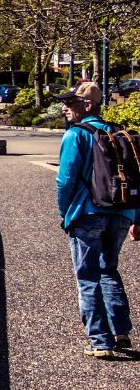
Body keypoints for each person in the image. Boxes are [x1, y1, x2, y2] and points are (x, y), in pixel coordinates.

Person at [55, 82, 140, 358]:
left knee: (88, 276)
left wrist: (65, 212)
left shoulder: (76, 135)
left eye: (70, 103)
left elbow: (65, 179)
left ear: (87, 105)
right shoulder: (119, 133)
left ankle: (100, 342)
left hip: (88, 214)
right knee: (109, 270)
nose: (64, 108)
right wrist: (136, 217)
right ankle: (121, 332)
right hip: (121, 213)